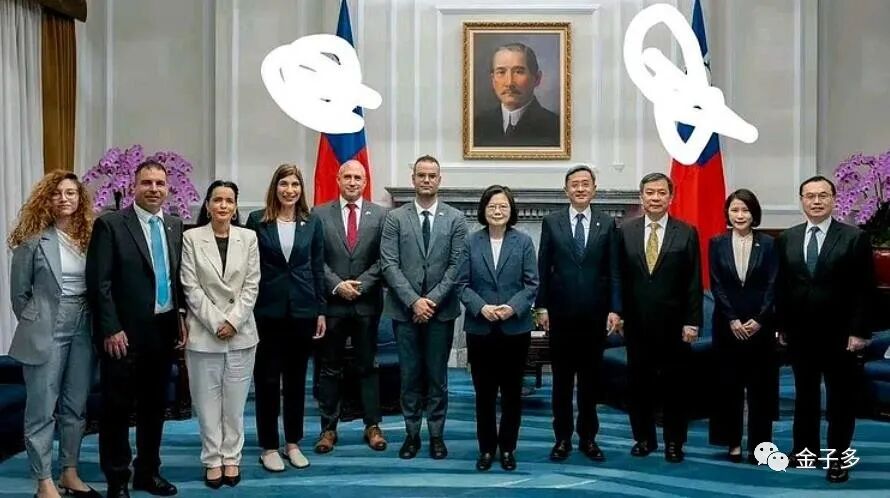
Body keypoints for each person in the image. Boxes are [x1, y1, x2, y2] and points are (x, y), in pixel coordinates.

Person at [86, 161, 186, 497]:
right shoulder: (111, 224)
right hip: (123, 336)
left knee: (154, 408)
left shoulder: (174, 225)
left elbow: (176, 278)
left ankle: (148, 472)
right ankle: (117, 479)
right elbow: (99, 283)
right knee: (117, 409)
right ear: (133, 186)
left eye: (160, 183)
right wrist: (111, 328)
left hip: (163, 331)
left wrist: (181, 317)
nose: (154, 189)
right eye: (147, 183)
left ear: (168, 188)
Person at [776, 175, 874, 483]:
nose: (816, 201)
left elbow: (864, 289)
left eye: (823, 195)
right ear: (801, 201)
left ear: (833, 199)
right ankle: (804, 451)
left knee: (840, 401)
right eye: (810, 196)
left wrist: (859, 332)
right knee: (805, 396)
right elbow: (783, 286)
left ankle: (838, 457)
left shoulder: (854, 237)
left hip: (840, 335)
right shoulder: (787, 238)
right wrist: (781, 326)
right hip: (800, 334)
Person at [8, 171, 100, 498]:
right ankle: (44, 480)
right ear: (46, 199)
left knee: (75, 406)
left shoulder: (91, 237)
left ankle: (69, 472)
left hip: (85, 324)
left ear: (80, 198)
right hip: (46, 327)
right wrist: (38, 323)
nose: (64, 198)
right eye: (57, 193)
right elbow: (19, 295)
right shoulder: (33, 240)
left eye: (71, 193)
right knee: (42, 408)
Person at [380, 154, 467, 460]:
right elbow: (388, 264)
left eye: (432, 175)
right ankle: (412, 435)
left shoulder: (455, 218)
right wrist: (414, 301)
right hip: (404, 312)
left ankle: (437, 436)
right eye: (422, 175)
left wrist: (431, 301)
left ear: (439, 180)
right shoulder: (395, 218)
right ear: (413, 179)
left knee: (437, 378)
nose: (427, 180)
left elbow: (457, 266)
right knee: (410, 376)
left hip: (441, 312)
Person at [535, 165, 622, 462]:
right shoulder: (552, 222)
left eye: (586, 184)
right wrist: (541, 306)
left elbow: (614, 270)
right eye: (575, 184)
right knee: (561, 382)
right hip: (560, 316)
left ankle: (588, 438)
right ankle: (562, 439)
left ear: (594, 189)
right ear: (566, 190)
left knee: (590, 382)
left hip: (595, 317)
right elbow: (543, 266)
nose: (581, 189)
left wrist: (615, 308)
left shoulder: (607, 223)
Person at [246, 164, 326, 472]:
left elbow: (317, 267)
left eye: (295, 184)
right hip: (267, 311)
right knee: (267, 380)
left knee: (296, 380)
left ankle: (293, 442)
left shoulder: (312, 222)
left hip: (303, 311)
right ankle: (268, 446)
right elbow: (250, 268)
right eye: (284, 184)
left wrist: (321, 310)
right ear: (275, 187)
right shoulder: (257, 221)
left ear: (301, 189)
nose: (289, 190)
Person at [619, 172, 702, 463]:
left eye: (661, 193)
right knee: (638, 384)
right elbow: (618, 277)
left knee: (675, 386)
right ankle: (644, 438)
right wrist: (617, 312)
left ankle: (674, 442)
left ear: (671, 197)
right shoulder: (625, 231)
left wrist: (692, 321)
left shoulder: (686, 232)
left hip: (675, 325)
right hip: (636, 323)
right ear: (641, 197)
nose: (655, 198)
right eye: (650, 193)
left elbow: (694, 280)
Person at [180, 181, 259, 488]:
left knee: (234, 405)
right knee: (207, 403)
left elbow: (252, 284)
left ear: (235, 207)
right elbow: (190, 286)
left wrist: (234, 321)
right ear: (208, 205)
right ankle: (212, 459)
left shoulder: (248, 238)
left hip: (242, 333)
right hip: (204, 333)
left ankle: (232, 457)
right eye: (217, 200)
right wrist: (217, 323)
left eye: (229, 200)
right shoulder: (191, 237)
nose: (223, 205)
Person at [458, 185, 538, 472]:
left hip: (514, 329)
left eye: (503, 206)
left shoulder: (523, 242)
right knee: (484, 394)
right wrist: (481, 308)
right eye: (492, 206)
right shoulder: (470, 242)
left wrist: (512, 307)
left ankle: (507, 448)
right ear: (484, 210)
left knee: (512, 393)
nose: (497, 211)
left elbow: (532, 284)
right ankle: (486, 449)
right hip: (481, 329)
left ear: (511, 210)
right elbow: (461, 284)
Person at [312, 160, 388, 453]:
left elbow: (385, 258)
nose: (353, 182)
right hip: (332, 304)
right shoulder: (319, 214)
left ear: (365, 182)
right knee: (329, 367)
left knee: (368, 366)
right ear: (338, 179)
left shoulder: (381, 215)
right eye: (348, 177)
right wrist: (337, 285)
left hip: (366, 304)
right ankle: (328, 429)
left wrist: (361, 285)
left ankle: (373, 426)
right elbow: (315, 257)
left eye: (358, 177)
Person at [707, 189, 779, 465]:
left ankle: (760, 446)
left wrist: (760, 319)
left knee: (761, 388)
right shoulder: (717, 243)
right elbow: (716, 284)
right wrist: (732, 319)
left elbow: (774, 284)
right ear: (727, 213)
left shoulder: (769, 244)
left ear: (754, 214)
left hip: (760, 327)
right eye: (735, 210)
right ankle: (733, 442)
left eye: (745, 210)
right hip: (728, 326)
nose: (740, 215)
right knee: (729, 386)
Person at [473, 42, 560, 147]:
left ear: (537, 78)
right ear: (493, 80)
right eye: (501, 72)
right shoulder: (477, 125)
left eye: (519, 72)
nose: (509, 83)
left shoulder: (556, 127)